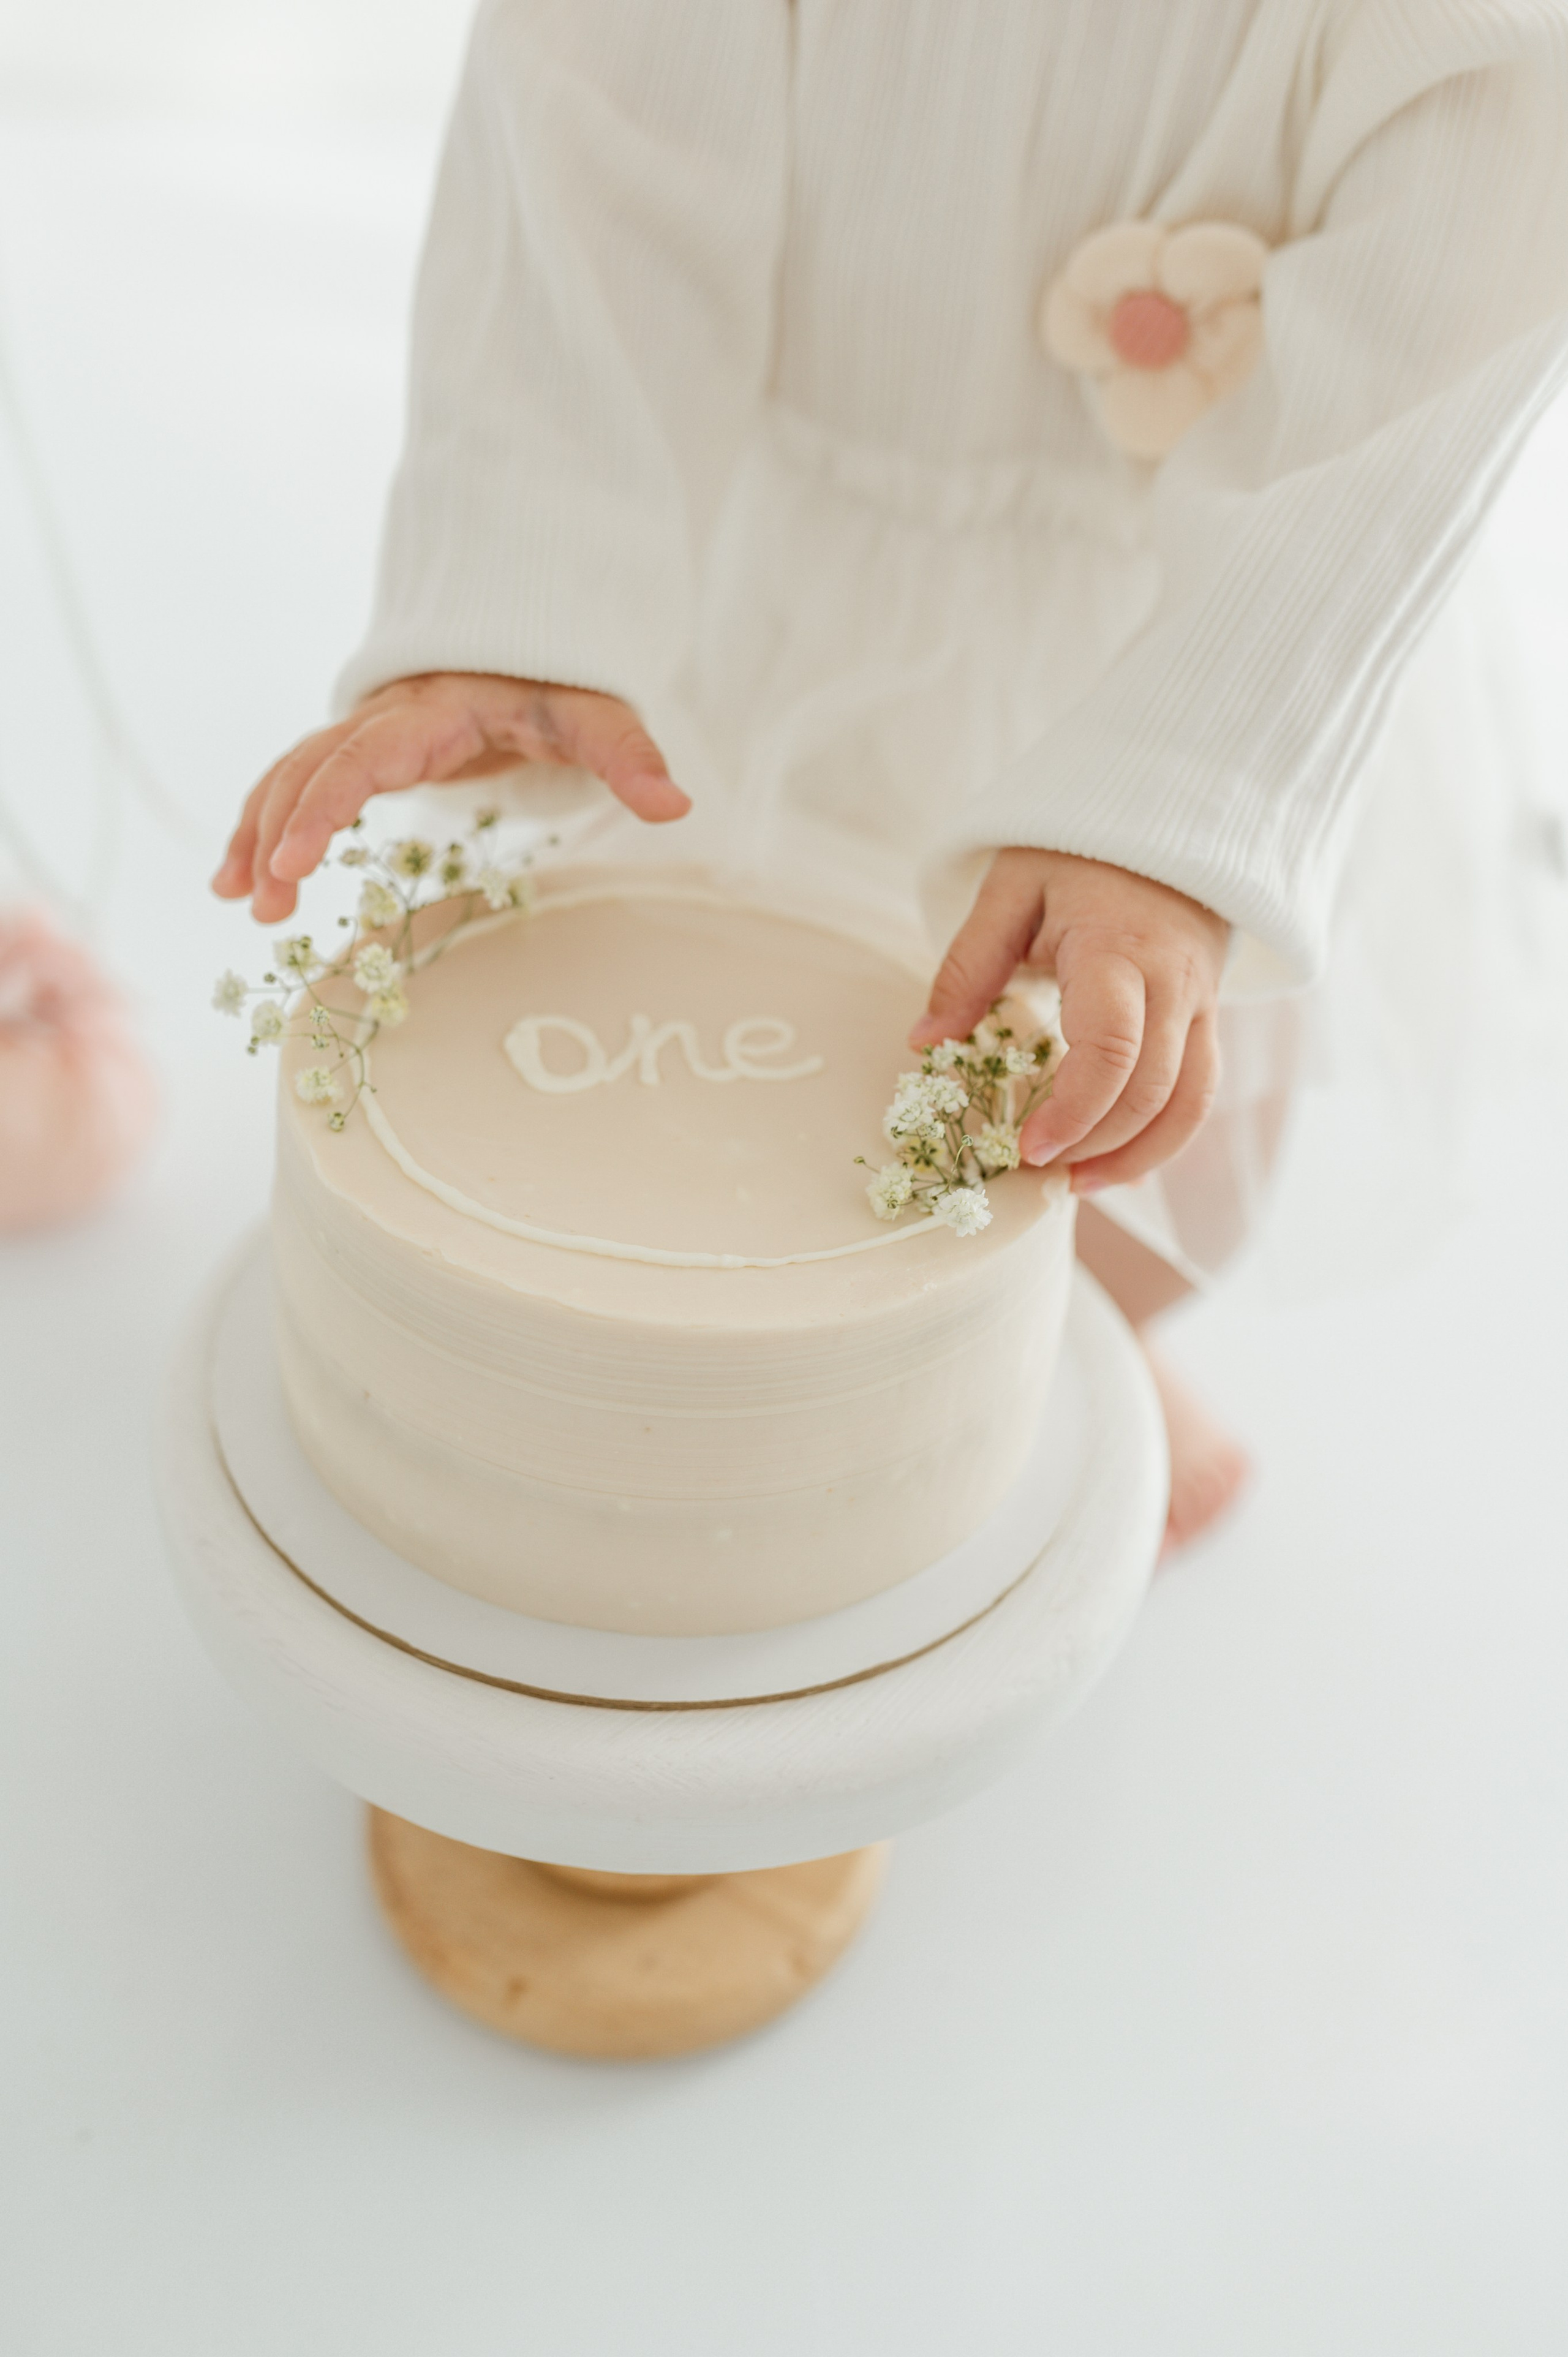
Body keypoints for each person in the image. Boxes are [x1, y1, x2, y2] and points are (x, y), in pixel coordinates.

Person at [214, 0, 1568, 1552]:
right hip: (772, 544)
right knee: (698, 1030)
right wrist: (537, 590)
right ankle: (708, 1361)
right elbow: (598, 126)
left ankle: (1064, 1339)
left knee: (1158, 1133)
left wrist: (1190, 805)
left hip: (1206, 600)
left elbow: (1451, 304)